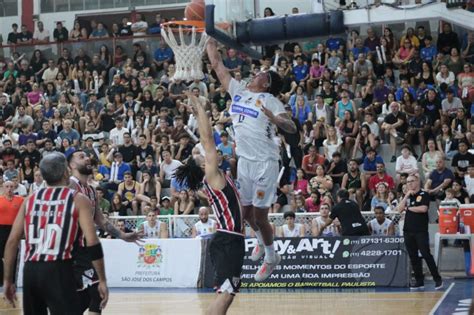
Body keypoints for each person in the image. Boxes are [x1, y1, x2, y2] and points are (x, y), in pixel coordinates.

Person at [207, 38, 296, 282]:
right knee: (244, 214)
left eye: (261, 73)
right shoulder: (238, 91)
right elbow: (217, 65)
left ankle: (270, 256)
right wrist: (209, 39)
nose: (256, 73)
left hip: (266, 162)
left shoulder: (270, 101)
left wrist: (275, 119)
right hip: (244, 162)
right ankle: (260, 242)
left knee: (259, 217)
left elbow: (291, 127)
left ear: (266, 83)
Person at [3, 152, 109, 314]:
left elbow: (12, 241)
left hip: (31, 271)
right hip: (59, 269)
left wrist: (8, 280)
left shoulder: (30, 200)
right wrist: (102, 279)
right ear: (66, 172)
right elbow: (92, 242)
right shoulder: (77, 199)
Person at [174, 93, 244, 315]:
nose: (205, 156)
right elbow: (207, 139)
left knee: (227, 293)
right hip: (228, 240)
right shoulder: (212, 175)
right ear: (202, 166)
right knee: (226, 294)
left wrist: (198, 111)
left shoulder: (213, 177)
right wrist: (198, 106)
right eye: (201, 158)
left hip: (229, 240)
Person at [68, 150, 143, 315]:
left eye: (86, 155)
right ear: (72, 165)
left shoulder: (92, 191)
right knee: (93, 295)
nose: (87, 157)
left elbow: (100, 220)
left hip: (85, 250)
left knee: (91, 298)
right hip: (71, 251)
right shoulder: (70, 185)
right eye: (81, 157)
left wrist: (122, 235)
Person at [399, 175, 443, 290]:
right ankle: (419, 281)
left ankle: (437, 279)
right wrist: (406, 196)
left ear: (417, 182)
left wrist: (409, 208)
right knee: (413, 257)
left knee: (426, 254)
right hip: (408, 230)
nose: (409, 184)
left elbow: (423, 209)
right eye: (407, 182)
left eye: (411, 181)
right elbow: (399, 209)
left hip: (420, 231)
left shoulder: (424, 194)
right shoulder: (407, 196)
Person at [0, 181, 24, 283]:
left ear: (14, 188)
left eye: (11, 187)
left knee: (13, 255)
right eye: (7, 187)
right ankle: (1, 279)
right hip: (1, 229)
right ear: (3, 188)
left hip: (14, 229)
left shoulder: (20, 200)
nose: (9, 189)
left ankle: (12, 279)